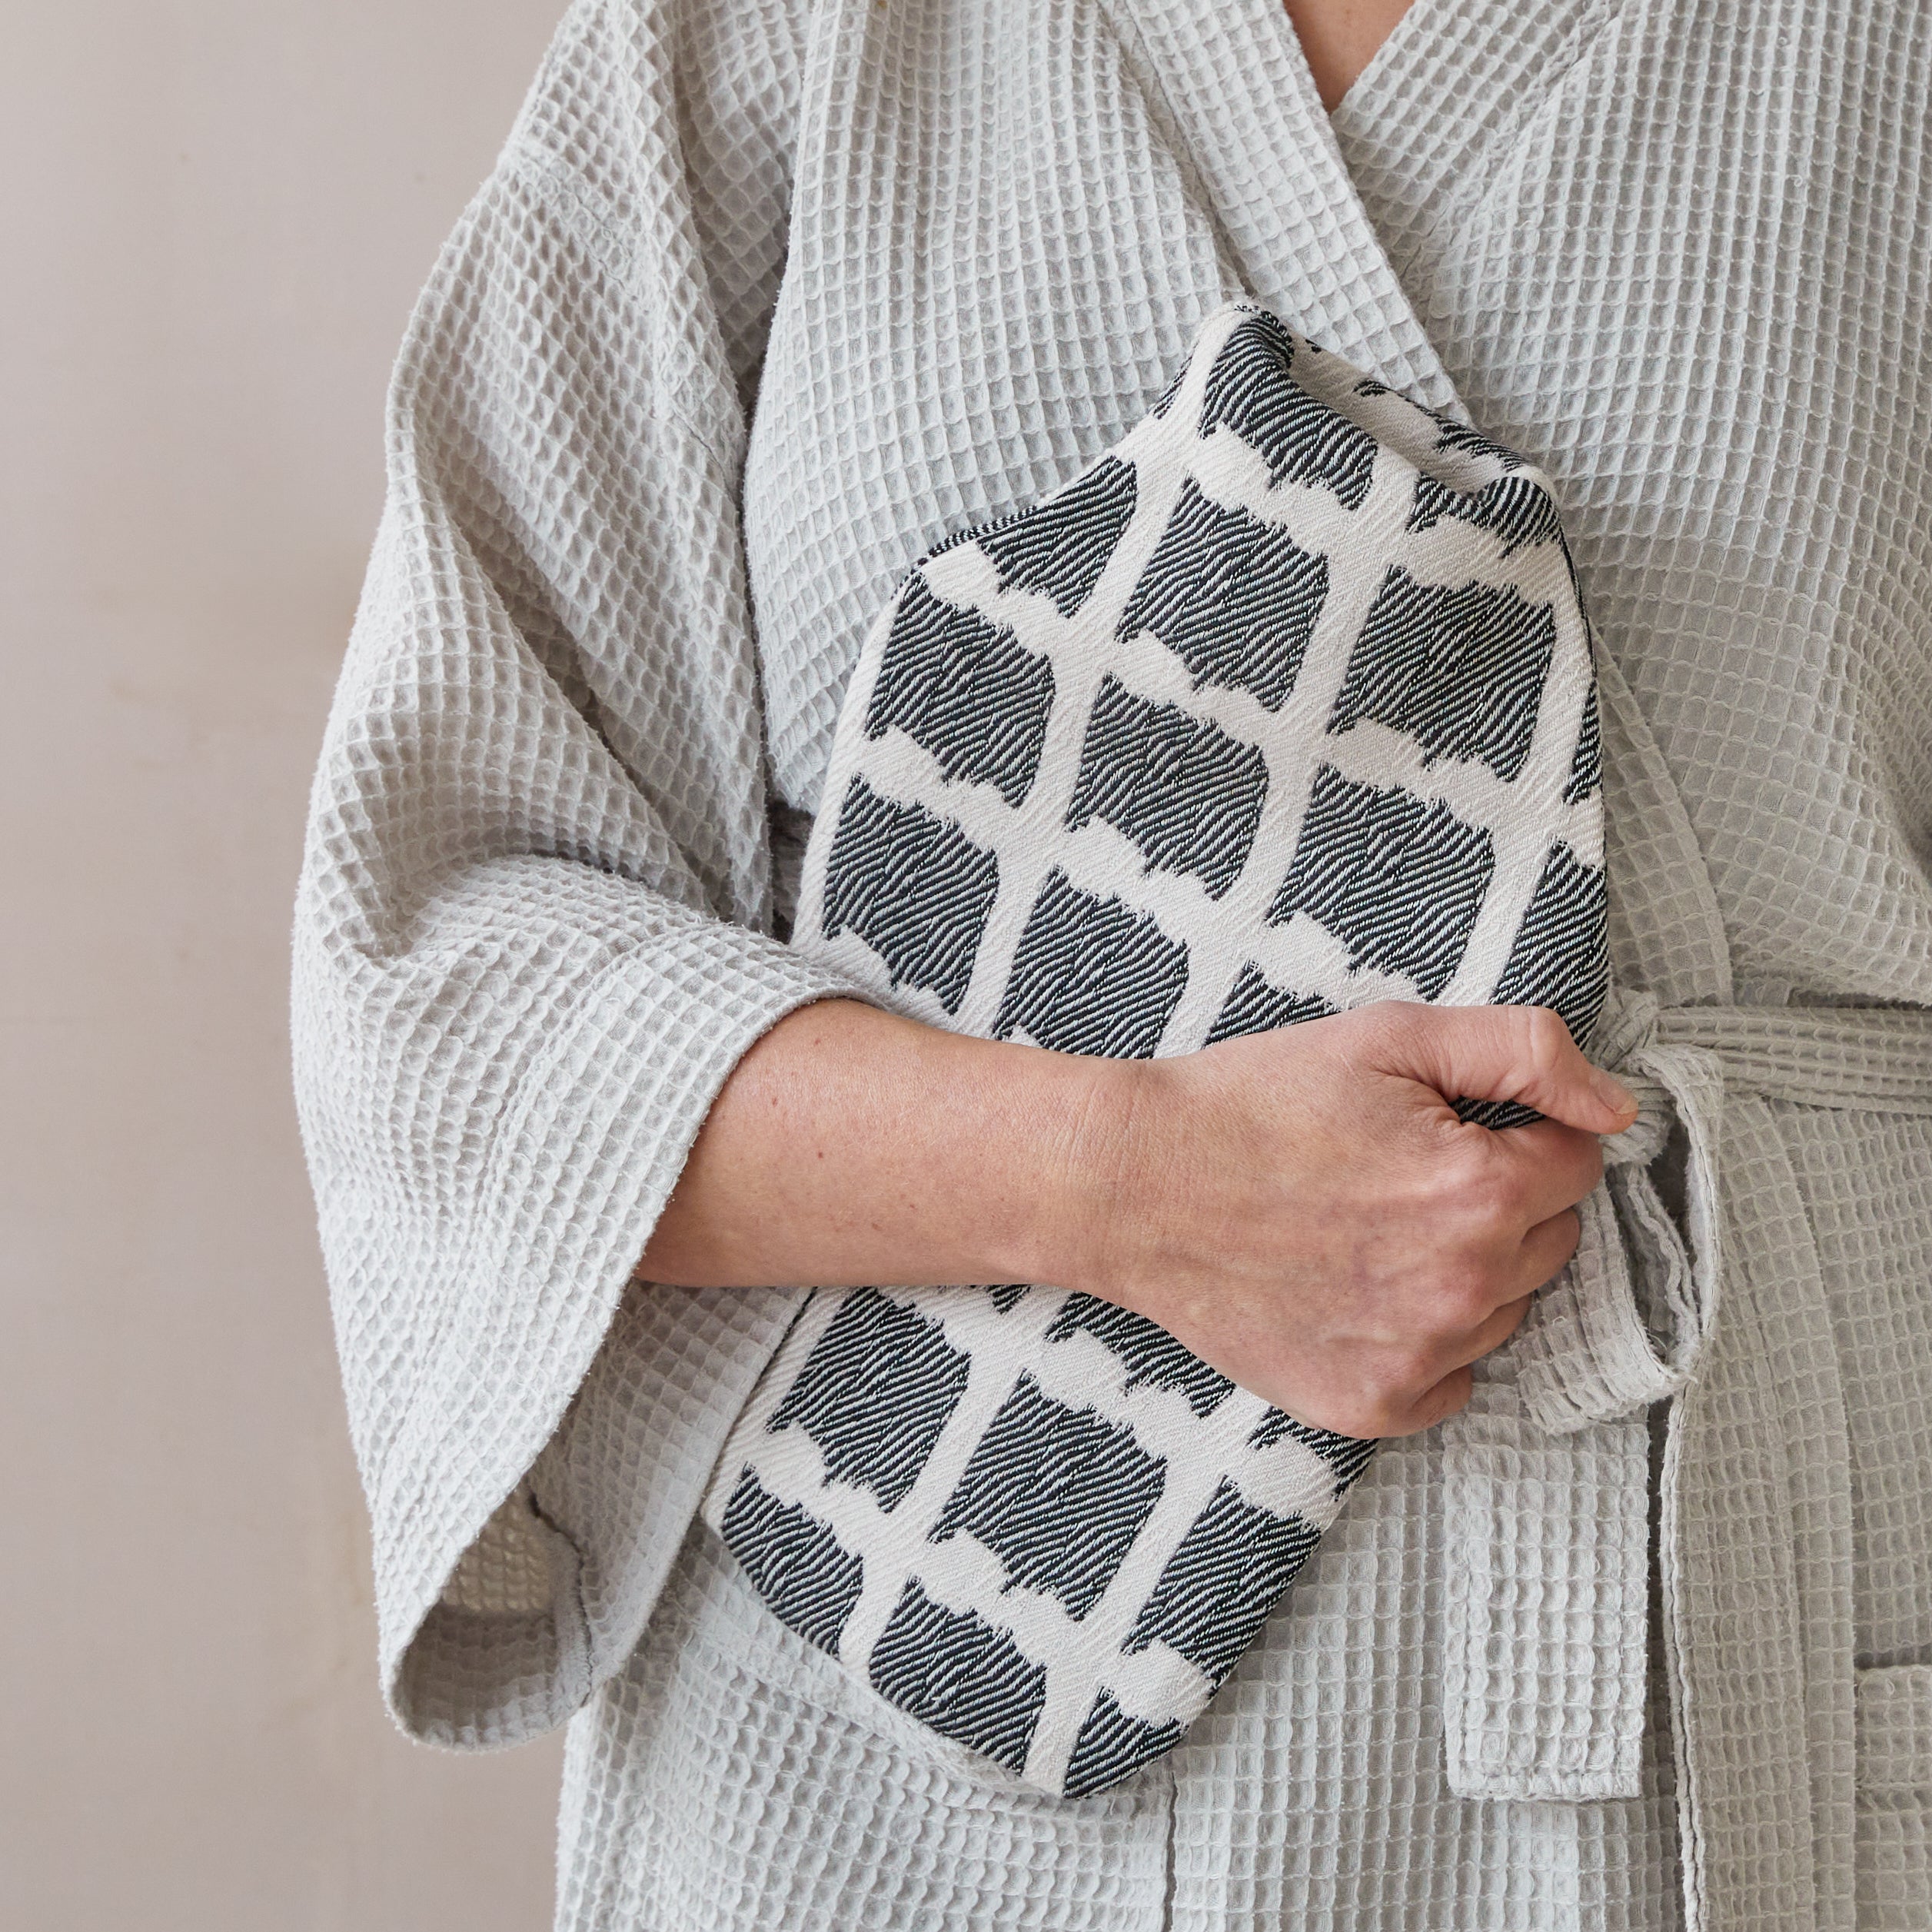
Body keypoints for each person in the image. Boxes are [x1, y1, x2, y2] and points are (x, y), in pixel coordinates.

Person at [291, 0, 1932, 1925]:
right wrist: (1135, 1180)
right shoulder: (769, 38)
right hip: (873, 1766)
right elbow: (443, 966)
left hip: (1711, 1671)